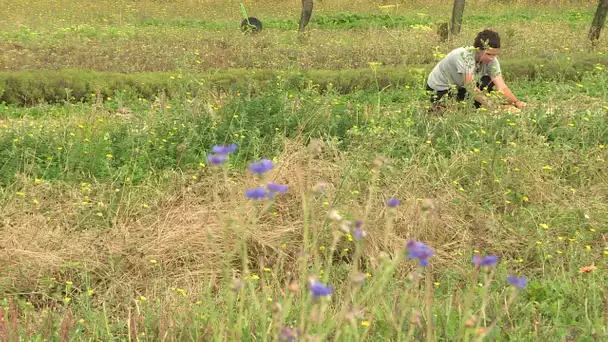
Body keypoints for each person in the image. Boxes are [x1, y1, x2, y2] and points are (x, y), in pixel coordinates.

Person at [426, 29, 527, 111]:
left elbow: (502, 86)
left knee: (489, 82)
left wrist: (516, 102)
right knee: (459, 108)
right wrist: (495, 108)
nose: (492, 58)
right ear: (478, 50)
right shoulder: (464, 56)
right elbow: (470, 87)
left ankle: (468, 107)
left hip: (460, 88)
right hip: (441, 90)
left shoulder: (492, 61)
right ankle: (445, 107)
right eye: (488, 54)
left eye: (495, 54)